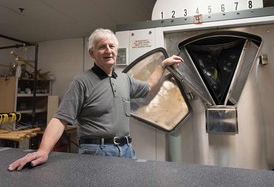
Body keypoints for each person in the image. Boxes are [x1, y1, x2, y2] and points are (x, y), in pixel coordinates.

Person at [8, 28, 183, 171]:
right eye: (102, 47)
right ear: (92, 53)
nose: (108, 50)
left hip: (127, 149)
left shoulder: (124, 79)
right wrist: (43, 150)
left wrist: (163, 65)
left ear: (117, 50)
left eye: (112, 46)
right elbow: (61, 118)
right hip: (96, 151)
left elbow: (149, 86)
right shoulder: (82, 81)